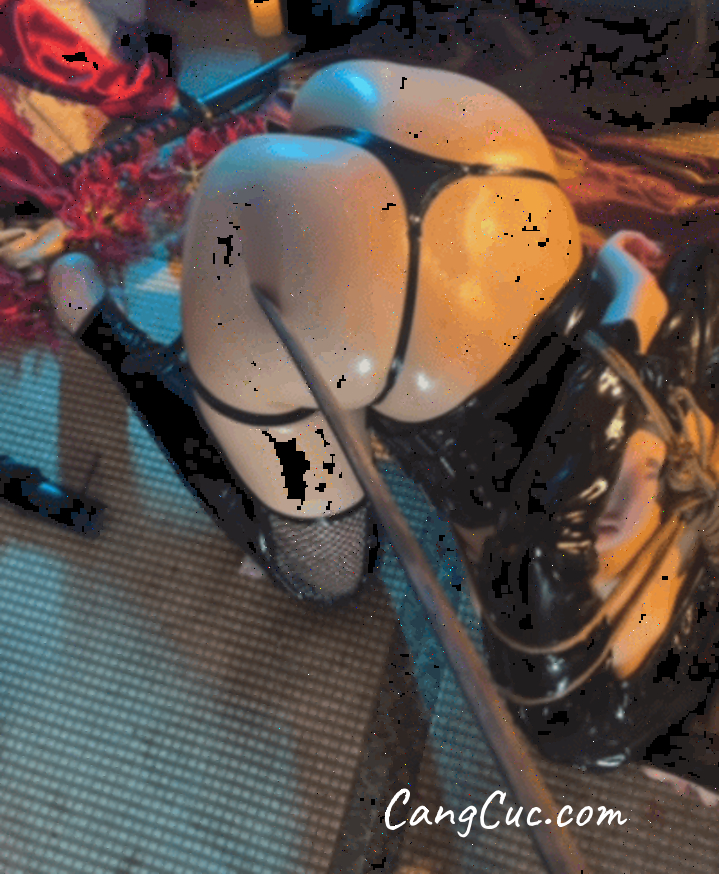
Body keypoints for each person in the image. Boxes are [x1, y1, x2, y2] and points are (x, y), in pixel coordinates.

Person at [46, 59, 719, 799]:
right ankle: (100, 328)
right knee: (328, 569)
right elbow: (530, 559)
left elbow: (695, 284)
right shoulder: (598, 716)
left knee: (351, 370)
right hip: (338, 299)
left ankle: (238, 267)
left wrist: (629, 308)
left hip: (477, 149)